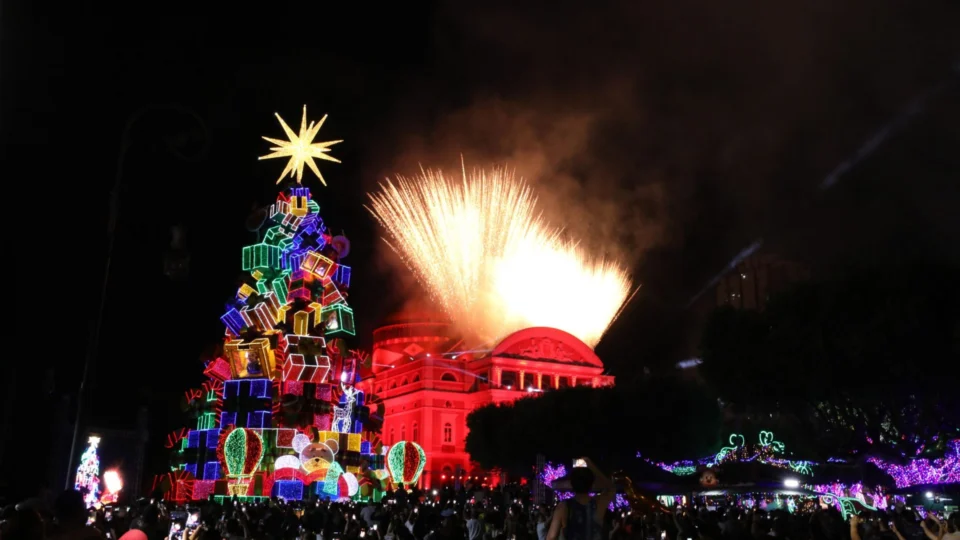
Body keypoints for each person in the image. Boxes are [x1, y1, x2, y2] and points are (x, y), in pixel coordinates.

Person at [546, 457, 614, 540]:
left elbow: (551, 537)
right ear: (591, 484)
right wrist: (590, 464)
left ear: (572, 484)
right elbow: (611, 488)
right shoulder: (598, 503)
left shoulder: (563, 507)